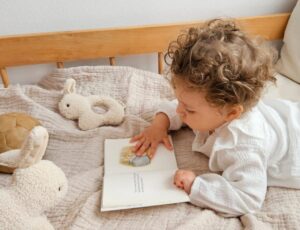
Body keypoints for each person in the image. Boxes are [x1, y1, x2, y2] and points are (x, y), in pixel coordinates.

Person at [130, 19, 300, 217]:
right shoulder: (208, 110)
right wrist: (159, 125)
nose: (179, 111)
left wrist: (197, 186)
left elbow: (249, 199)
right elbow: (179, 109)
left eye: (190, 110)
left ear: (232, 113)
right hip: (284, 116)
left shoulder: (244, 146)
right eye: (179, 102)